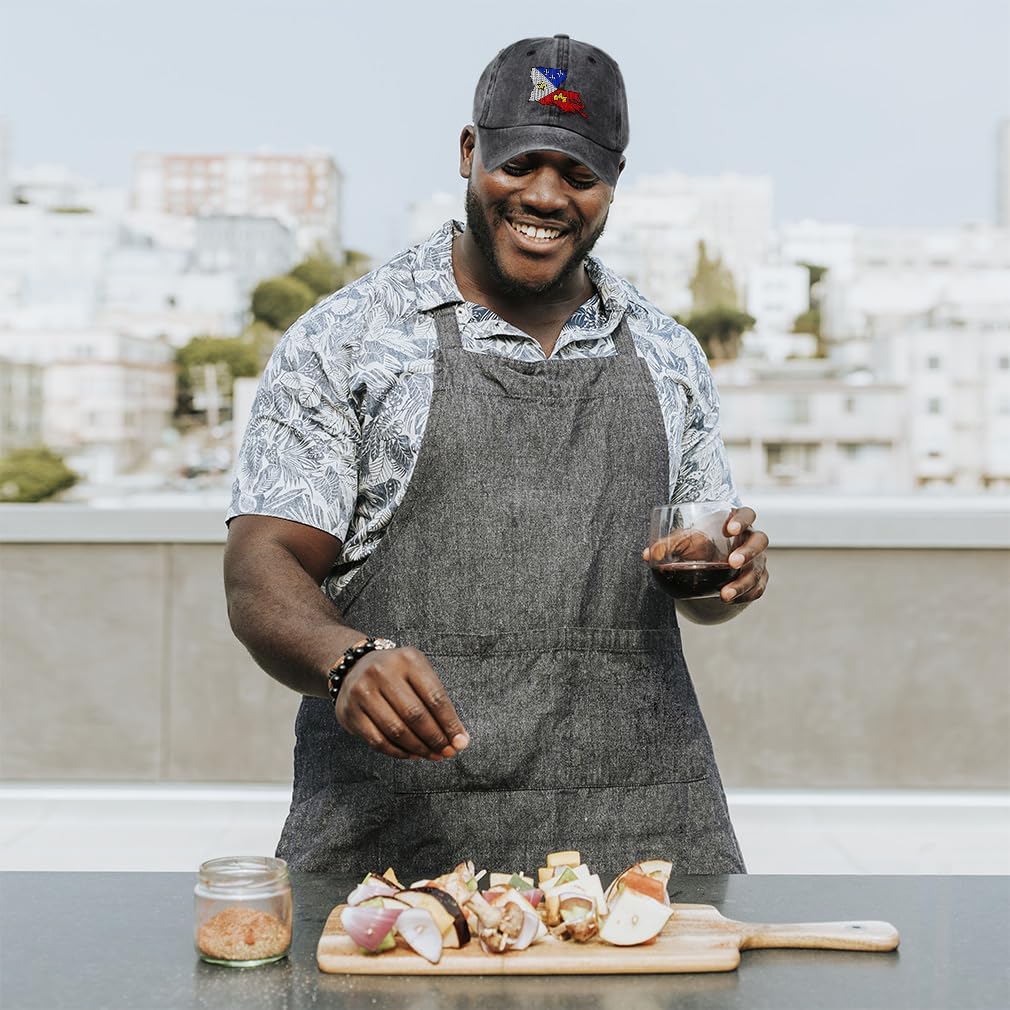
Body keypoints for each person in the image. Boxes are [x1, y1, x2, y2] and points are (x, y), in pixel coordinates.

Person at [224, 34, 769, 883]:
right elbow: (262, 565)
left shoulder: (668, 352)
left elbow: (698, 585)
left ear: (613, 184)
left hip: (643, 836)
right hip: (399, 848)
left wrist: (727, 573)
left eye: (579, 176)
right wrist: (346, 660)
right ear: (470, 152)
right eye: (521, 164)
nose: (546, 196)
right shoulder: (349, 339)